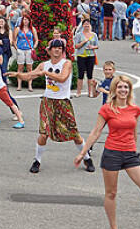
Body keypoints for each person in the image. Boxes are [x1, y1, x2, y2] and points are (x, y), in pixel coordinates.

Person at [74, 76, 140, 229]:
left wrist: (134, 149)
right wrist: (83, 152)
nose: (123, 90)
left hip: (130, 154)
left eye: (126, 87)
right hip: (112, 154)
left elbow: (134, 132)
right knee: (111, 193)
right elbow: (96, 132)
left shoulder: (134, 109)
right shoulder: (107, 109)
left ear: (129, 90)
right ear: (114, 90)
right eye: (120, 87)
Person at [6, 39, 95, 174]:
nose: (57, 50)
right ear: (50, 50)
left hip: (63, 102)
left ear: (63, 50)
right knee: (43, 133)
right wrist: (19, 75)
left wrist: (46, 73)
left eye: (60, 48)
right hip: (48, 102)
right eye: (55, 48)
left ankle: (87, 158)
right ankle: (37, 160)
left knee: (74, 134)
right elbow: (30, 75)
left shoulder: (67, 63)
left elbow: (62, 78)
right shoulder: (44, 65)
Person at [12, 14, 38, 92]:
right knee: (20, 68)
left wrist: (34, 47)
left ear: (29, 21)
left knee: (29, 68)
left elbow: (36, 39)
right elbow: (14, 39)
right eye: (24, 19)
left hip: (29, 49)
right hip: (21, 49)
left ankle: (30, 85)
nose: (25, 21)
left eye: (27, 19)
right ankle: (19, 85)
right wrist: (16, 48)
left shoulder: (32, 29)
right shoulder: (18, 29)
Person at [74, 19, 99, 98]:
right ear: (82, 25)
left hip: (90, 55)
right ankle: (78, 92)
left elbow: (97, 45)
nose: (86, 26)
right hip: (81, 56)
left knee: (90, 74)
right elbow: (76, 46)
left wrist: (92, 47)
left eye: (88, 24)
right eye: (85, 24)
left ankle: (90, 92)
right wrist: (83, 42)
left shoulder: (94, 35)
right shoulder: (79, 35)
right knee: (80, 74)